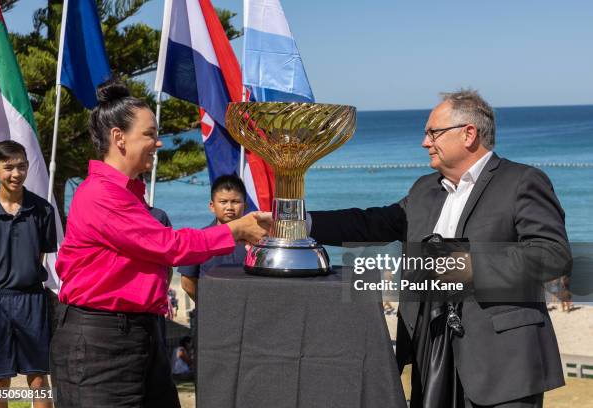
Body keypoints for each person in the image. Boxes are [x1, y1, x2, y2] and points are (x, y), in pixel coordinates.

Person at [309, 90, 572, 408]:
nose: (424, 142)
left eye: (433, 132)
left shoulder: (523, 181)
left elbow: (552, 254)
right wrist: (302, 223)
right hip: (429, 356)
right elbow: (370, 223)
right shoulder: (423, 189)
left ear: (468, 133)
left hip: (502, 363)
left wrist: (471, 267)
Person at [50, 80, 269, 408]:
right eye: (150, 134)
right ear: (118, 138)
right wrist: (236, 230)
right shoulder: (100, 195)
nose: (159, 142)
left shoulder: (128, 195)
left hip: (139, 335)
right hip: (101, 343)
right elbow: (170, 245)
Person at [0, 141, 56, 408]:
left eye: (22, 166)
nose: (16, 173)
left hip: (32, 302)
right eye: (9, 167)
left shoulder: (43, 210)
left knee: (38, 379)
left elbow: (42, 256)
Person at [179, 174, 248, 302]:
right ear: (212, 206)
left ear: (246, 205)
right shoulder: (199, 238)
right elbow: (187, 282)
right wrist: (210, 305)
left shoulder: (256, 242)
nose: (229, 207)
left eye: (235, 202)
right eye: (223, 202)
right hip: (210, 313)